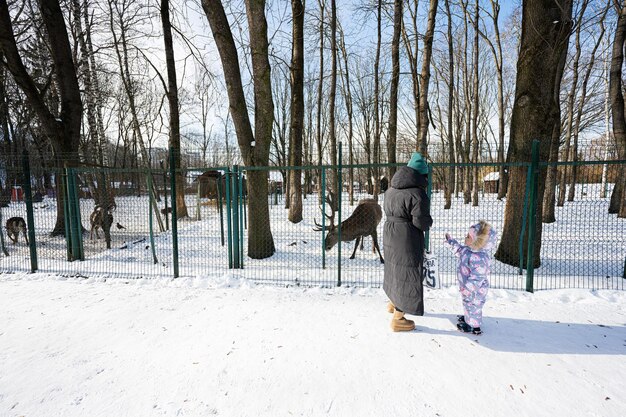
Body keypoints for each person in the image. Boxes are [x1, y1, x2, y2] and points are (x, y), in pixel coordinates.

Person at [383, 152, 433, 332]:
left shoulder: (390, 190)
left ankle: (392, 302)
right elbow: (421, 222)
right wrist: (429, 221)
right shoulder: (418, 194)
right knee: (408, 272)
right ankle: (398, 317)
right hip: (406, 238)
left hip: (390, 234)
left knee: (394, 268)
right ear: (422, 175)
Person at [444, 220, 497, 335]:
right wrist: (450, 242)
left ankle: (474, 326)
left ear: (477, 242)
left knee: (474, 306)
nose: (465, 237)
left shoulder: (480, 258)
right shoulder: (468, 251)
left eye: (468, 236)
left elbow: (477, 277)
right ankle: (469, 318)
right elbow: (459, 250)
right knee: (468, 303)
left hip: (475, 290)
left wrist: (468, 288)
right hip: (467, 288)